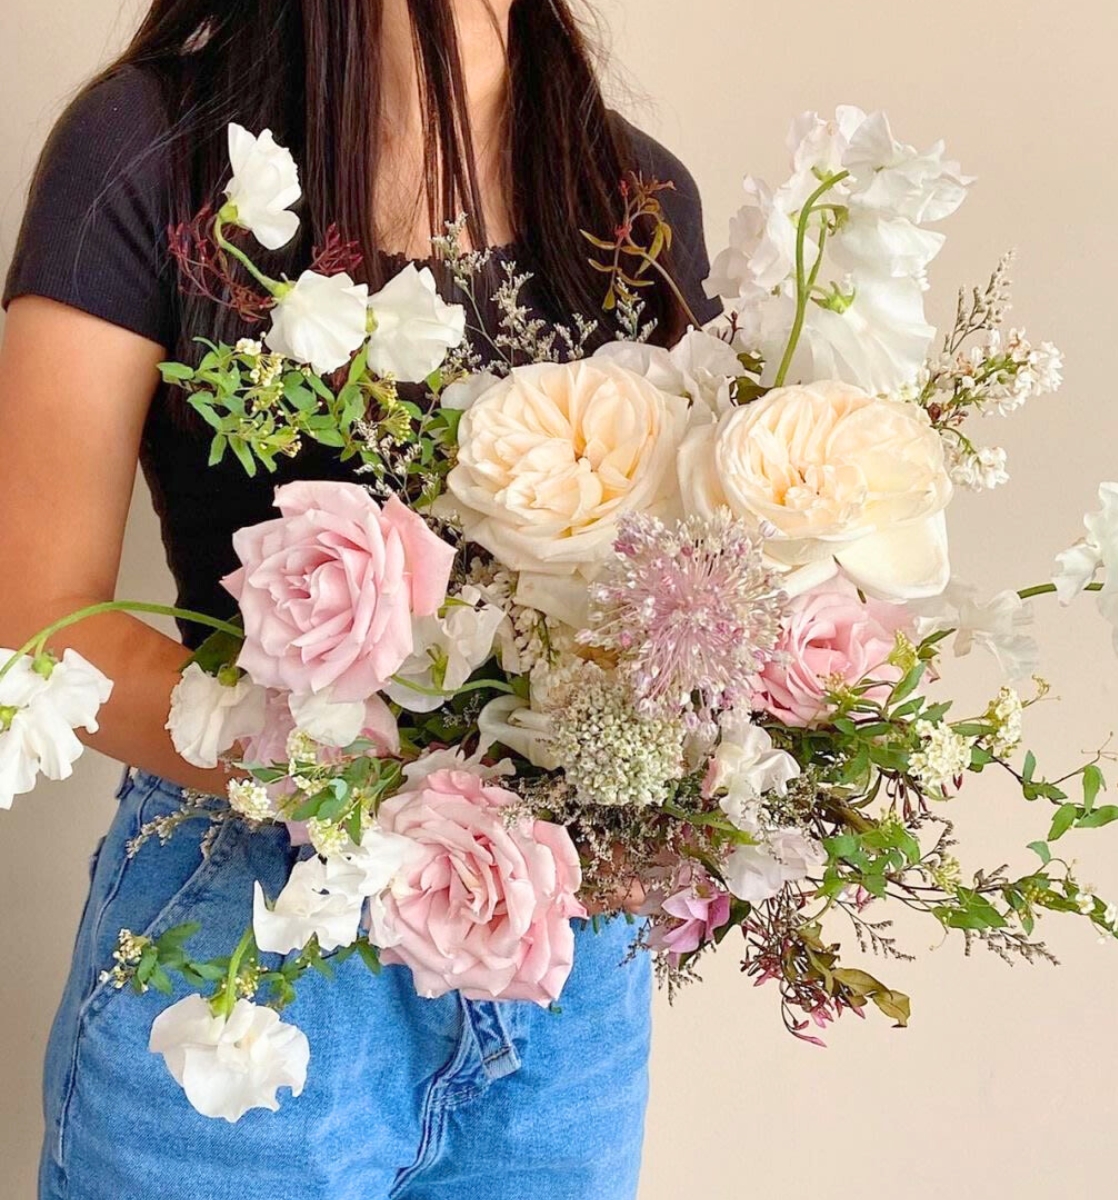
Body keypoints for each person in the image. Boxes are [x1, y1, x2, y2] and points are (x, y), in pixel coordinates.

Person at [0, 2, 720, 1197]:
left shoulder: (640, 198)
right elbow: (35, 620)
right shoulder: (155, 148)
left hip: (562, 980)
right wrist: (369, 788)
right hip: (247, 931)